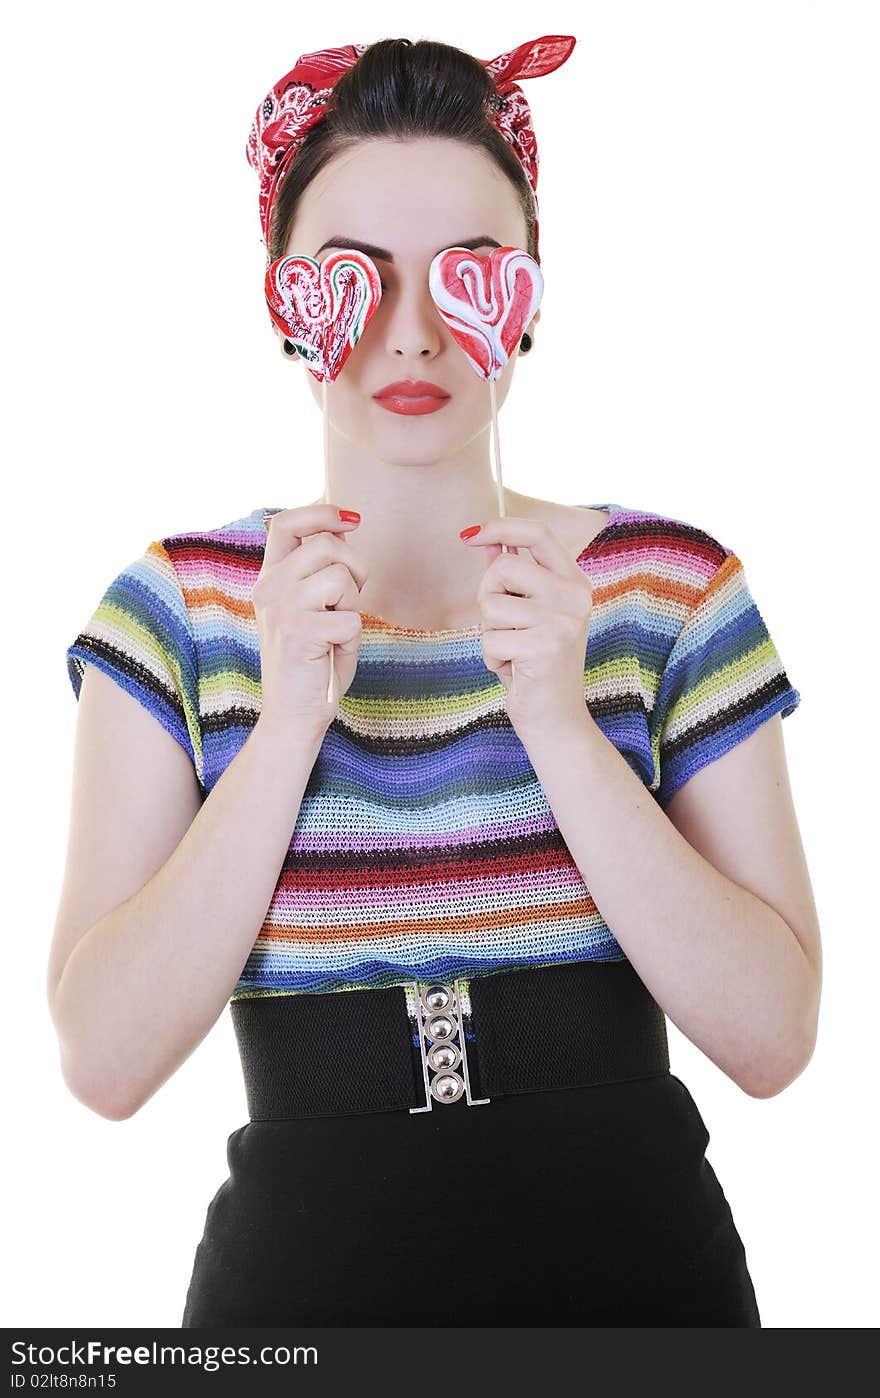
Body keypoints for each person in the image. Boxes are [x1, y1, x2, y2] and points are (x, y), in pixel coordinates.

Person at [49, 35, 822, 1328]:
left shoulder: (669, 589)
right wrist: (289, 714)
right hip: (291, 1313)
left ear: (525, 294)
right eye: (357, 278)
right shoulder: (177, 609)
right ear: (284, 300)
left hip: (648, 1301)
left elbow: (775, 1034)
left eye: (461, 274)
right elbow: (104, 1059)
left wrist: (564, 730)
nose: (410, 335)